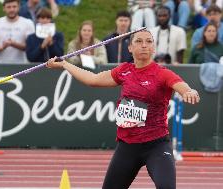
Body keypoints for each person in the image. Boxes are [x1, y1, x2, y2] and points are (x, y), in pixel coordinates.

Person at [46, 29, 200, 188]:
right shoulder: (124, 70)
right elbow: (93, 79)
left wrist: (190, 92)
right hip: (127, 146)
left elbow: (182, 86)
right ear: (130, 48)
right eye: (139, 41)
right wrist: (64, 64)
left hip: (157, 146)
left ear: (154, 47)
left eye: (149, 41)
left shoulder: (162, 74)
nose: (144, 45)